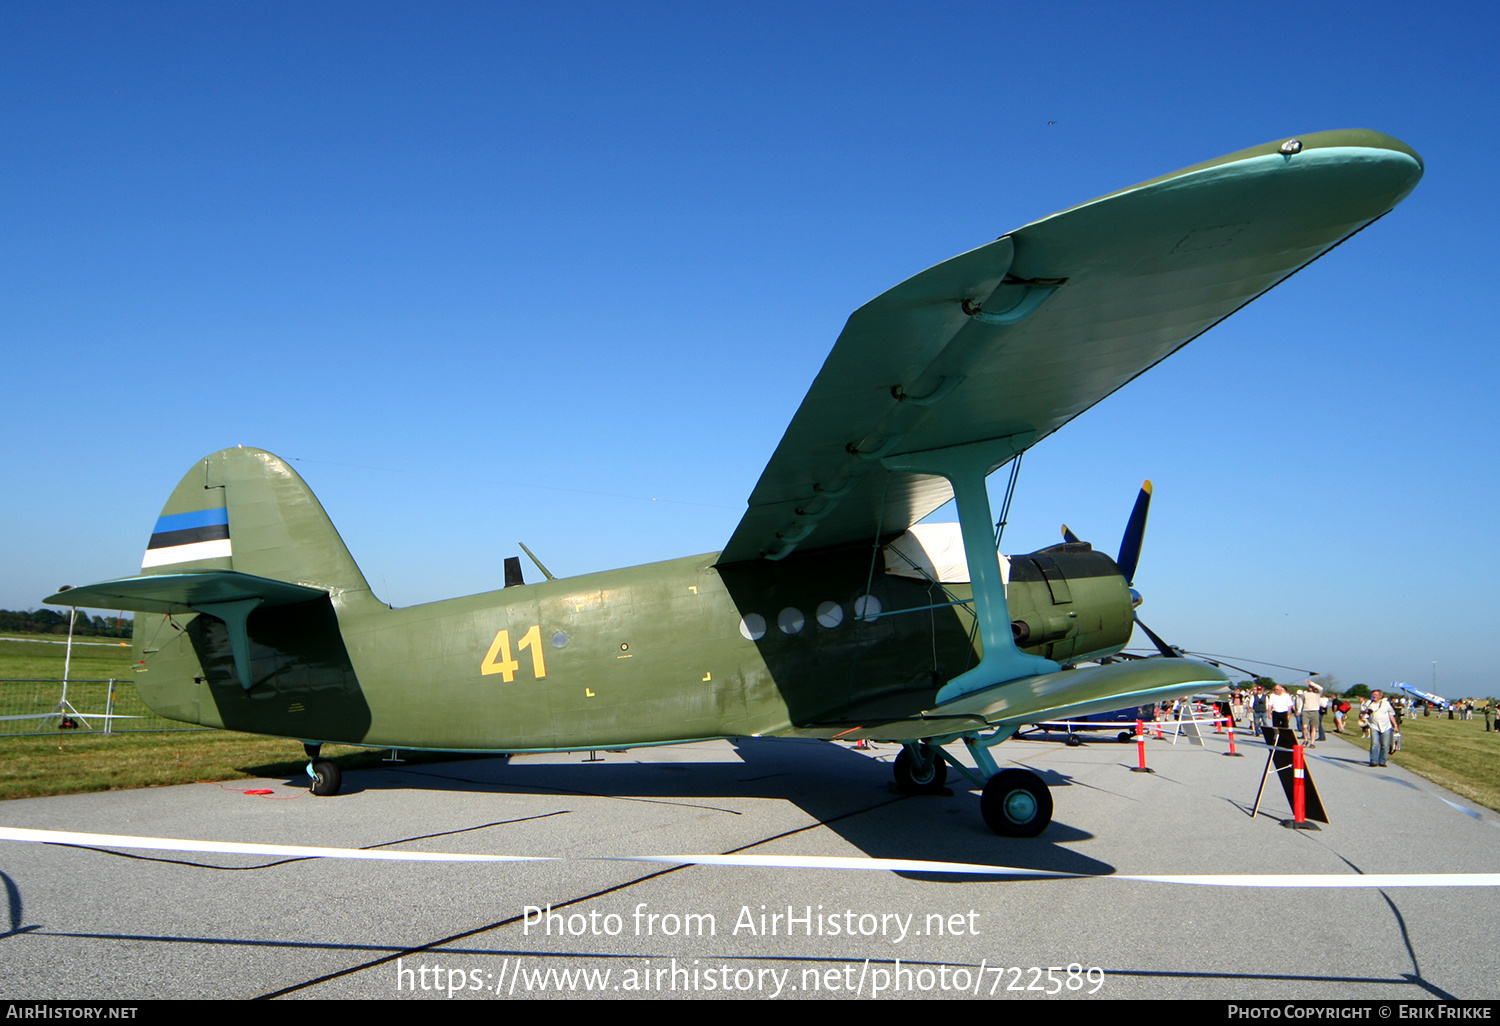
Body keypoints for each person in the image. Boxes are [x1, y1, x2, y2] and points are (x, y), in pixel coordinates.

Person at [1368, 689, 1398, 767]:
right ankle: (1374, 761)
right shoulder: (1369, 703)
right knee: (1374, 744)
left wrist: (1395, 725)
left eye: (1376, 694)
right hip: (1374, 726)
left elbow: (1391, 714)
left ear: (1380, 696)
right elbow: (1364, 713)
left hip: (1386, 727)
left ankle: (1382, 761)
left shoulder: (1386, 704)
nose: (1374, 696)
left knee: (1385, 745)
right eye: (1373, 694)